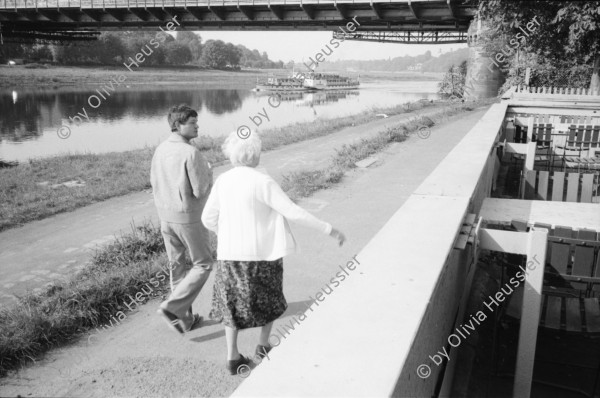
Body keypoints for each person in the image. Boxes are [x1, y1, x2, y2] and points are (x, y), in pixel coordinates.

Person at [201, 130, 346, 375]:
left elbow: (207, 218)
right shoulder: (262, 181)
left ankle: (232, 357)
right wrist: (329, 229)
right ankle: (262, 345)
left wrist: (224, 234)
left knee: (231, 305)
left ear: (232, 155)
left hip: (229, 256)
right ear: (254, 154)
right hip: (262, 256)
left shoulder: (223, 180)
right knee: (270, 299)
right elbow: (292, 211)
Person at [151, 104, 213, 334]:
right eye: (192, 123)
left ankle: (185, 320)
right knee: (203, 263)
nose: (197, 126)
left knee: (176, 268)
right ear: (177, 125)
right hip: (188, 217)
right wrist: (208, 172)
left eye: (197, 122)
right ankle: (172, 307)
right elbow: (200, 190)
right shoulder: (191, 153)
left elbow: (155, 182)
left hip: (165, 217)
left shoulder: (160, 149)